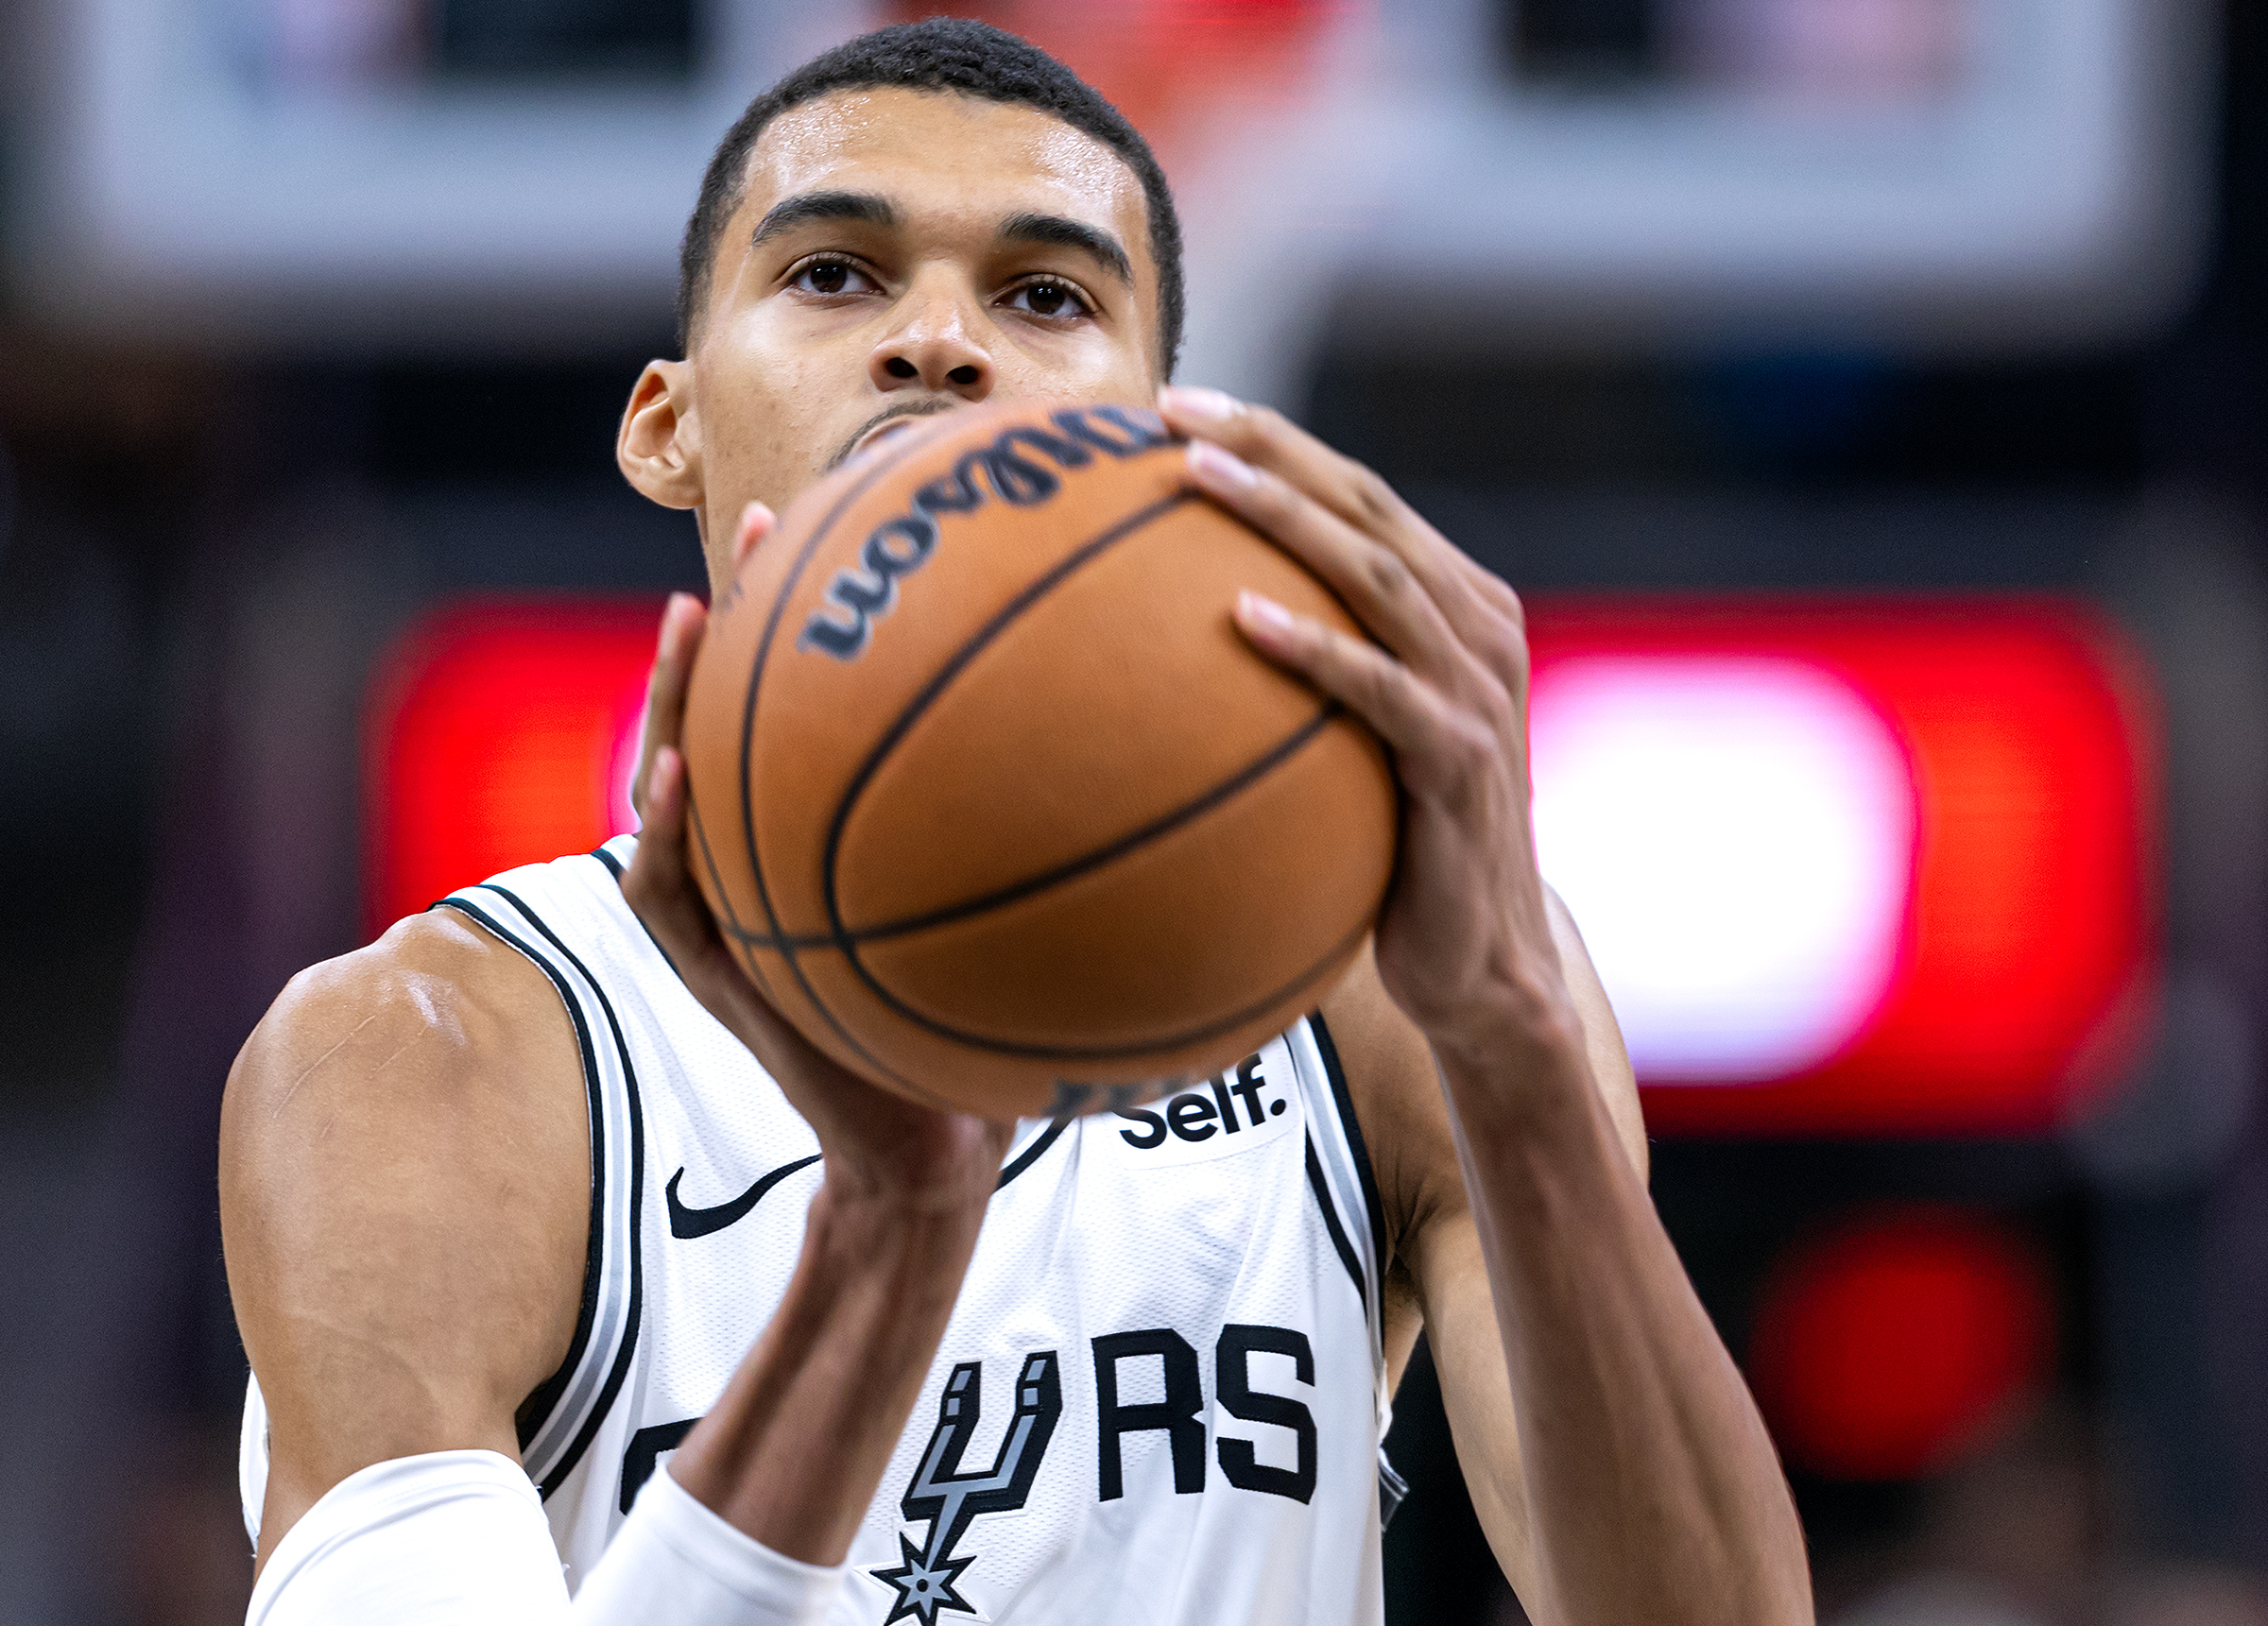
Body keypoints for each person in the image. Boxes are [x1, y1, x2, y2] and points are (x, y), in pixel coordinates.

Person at [220, 19, 1813, 1625]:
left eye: (1045, 296)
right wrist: (883, 1253)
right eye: (833, 274)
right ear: (665, 426)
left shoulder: (1375, 997)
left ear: (1164, 440)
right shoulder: (426, 1062)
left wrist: (1514, 1037)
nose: (937, 341)